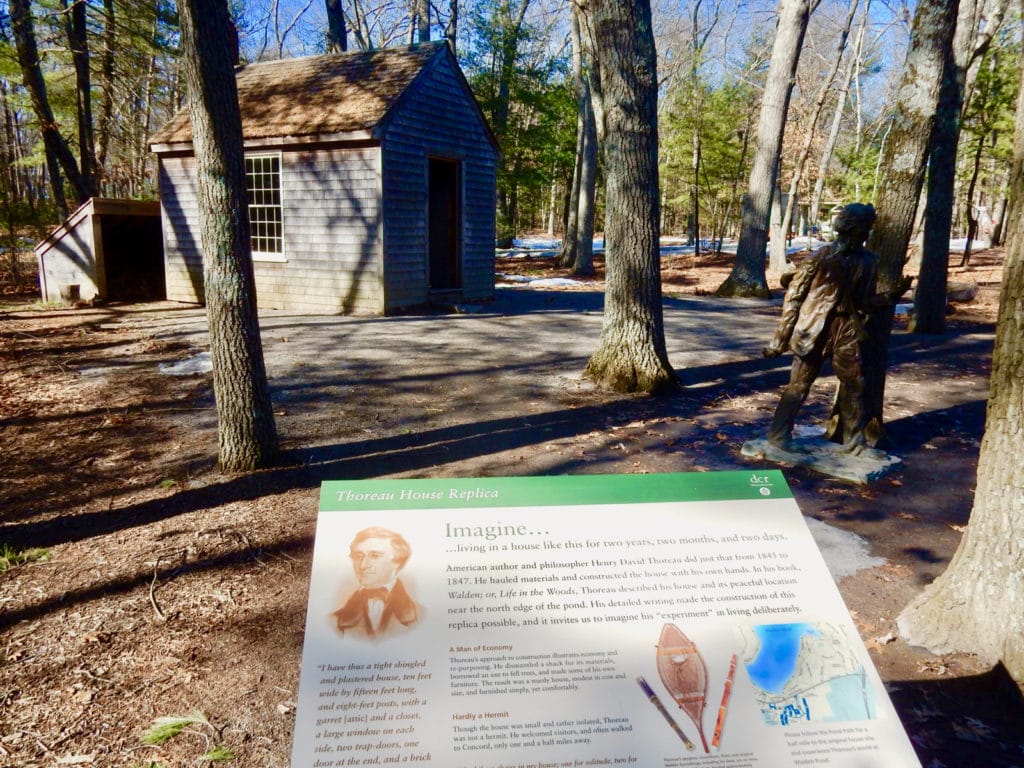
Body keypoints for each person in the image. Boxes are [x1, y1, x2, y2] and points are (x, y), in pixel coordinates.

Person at [762, 202, 886, 453]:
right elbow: (794, 296)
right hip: (814, 328)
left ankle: (854, 443)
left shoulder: (870, 261)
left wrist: (889, 298)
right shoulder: (820, 257)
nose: (867, 233)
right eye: (865, 227)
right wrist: (780, 338)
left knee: (855, 384)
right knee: (799, 385)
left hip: (846, 329)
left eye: (869, 228)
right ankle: (778, 436)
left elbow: (865, 301)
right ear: (851, 227)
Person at [333, 527, 420, 639]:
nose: (363, 566)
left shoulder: (423, 617)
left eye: (375, 556)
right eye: (358, 556)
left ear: (398, 561)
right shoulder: (332, 621)